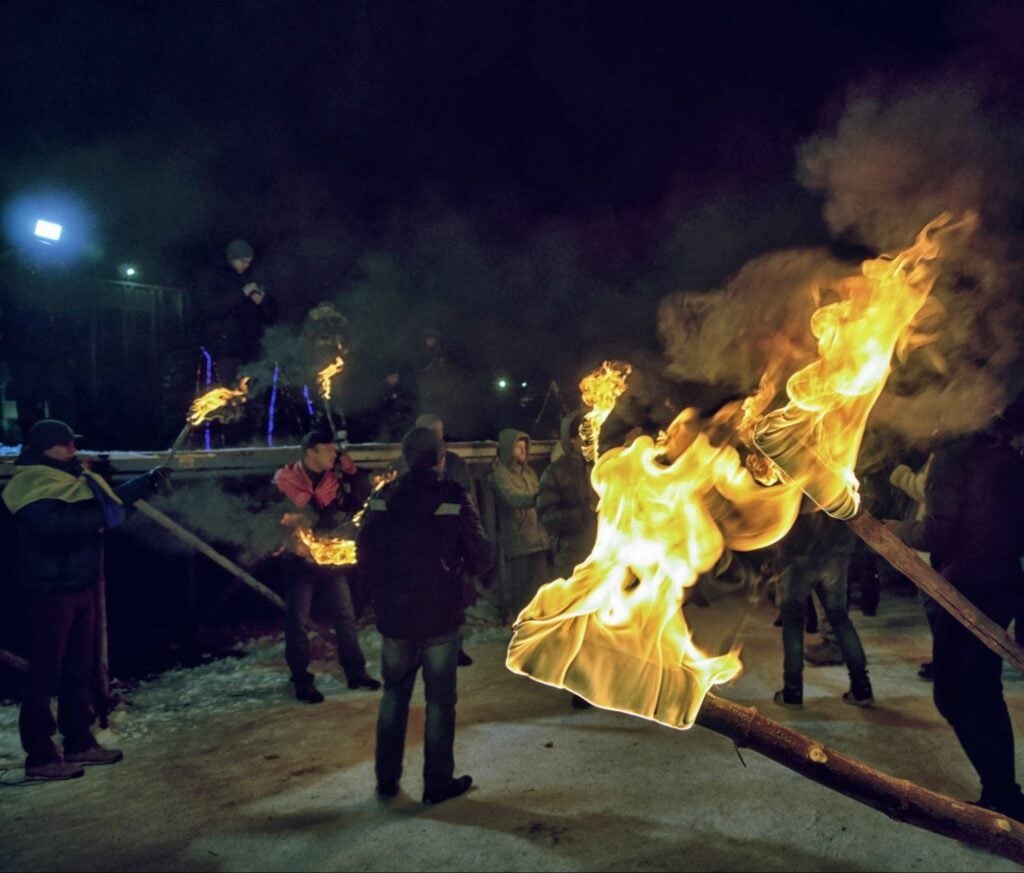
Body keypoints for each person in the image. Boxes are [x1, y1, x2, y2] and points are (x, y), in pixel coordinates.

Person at [1, 419, 170, 781]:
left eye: (73, 444)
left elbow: (105, 502)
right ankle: (41, 756)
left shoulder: (75, 479)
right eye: (65, 445)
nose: (72, 450)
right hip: (49, 590)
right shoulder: (29, 484)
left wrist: (147, 483)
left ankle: (78, 740)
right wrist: (109, 518)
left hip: (80, 585)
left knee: (81, 666)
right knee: (45, 674)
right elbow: (57, 526)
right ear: (45, 449)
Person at [887, 412, 1024, 819]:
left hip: (964, 588)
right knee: (985, 690)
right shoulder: (1005, 457)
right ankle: (1005, 794)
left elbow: (936, 533)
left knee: (954, 695)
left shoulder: (953, 458)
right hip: (1003, 583)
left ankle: (1002, 795)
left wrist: (894, 528)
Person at [357, 427, 491, 804]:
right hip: (440, 614)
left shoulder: (382, 497)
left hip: (395, 615)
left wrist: (379, 594)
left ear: (403, 457)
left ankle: (386, 781)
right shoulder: (454, 496)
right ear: (439, 458)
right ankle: (437, 784)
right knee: (440, 701)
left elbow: (363, 554)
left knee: (394, 695)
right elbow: (481, 555)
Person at [273, 430, 380, 703]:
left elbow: (359, 503)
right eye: (329, 449)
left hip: (331, 558)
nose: (334, 454)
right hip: (299, 560)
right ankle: (301, 680)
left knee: (345, 616)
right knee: (297, 621)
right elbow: (278, 518)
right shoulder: (285, 480)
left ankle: (356, 672)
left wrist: (354, 475)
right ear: (311, 452)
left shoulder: (335, 480)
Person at [392, 413, 478, 666]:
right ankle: (420, 649)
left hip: (449, 543)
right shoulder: (403, 465)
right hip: (415, 547)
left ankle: (455, 647)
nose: (439, 436)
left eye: (440, 431)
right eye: (433, 432)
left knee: (453, 599)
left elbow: (465, 495)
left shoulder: (454, 463)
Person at [773, 501, 874, 710]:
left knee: (793, 622)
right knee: (839, 617)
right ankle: (861, 687)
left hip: (797, 550)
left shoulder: (792, 470)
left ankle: (793, 691)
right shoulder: (837, 468)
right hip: (835, 549)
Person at [536, 411, 598, 709]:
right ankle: (579, 685)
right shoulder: (556, 472)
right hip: (573, 555)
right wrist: (583, 514)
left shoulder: (604, 465)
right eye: (584, 434)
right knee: (578, 623)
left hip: (604, 555)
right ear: (572, 438)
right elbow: (547, 516)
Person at [194, 238, 278, 384]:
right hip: (224, 349)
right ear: (233, 258)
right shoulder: (213, 277)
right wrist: (242, 294)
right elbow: (210, 308)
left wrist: (260, 303)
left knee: (248, 392)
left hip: (248, 348)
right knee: (227, 390)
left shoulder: (245, 277)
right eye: (243, 261)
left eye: (249, 262)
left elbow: (263, 315)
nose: (246, 265)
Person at [490, 428, 551, 622]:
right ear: (508, 449)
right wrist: (542, 497)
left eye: (525, 447)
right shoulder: (501, 474)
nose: (523, 451)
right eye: (518, 447)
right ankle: (520, 626)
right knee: (520, 591)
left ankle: (538, 626)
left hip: (539, 538)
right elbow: (513, 498)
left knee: (540, 588)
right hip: (519, 542)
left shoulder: (530, 472)